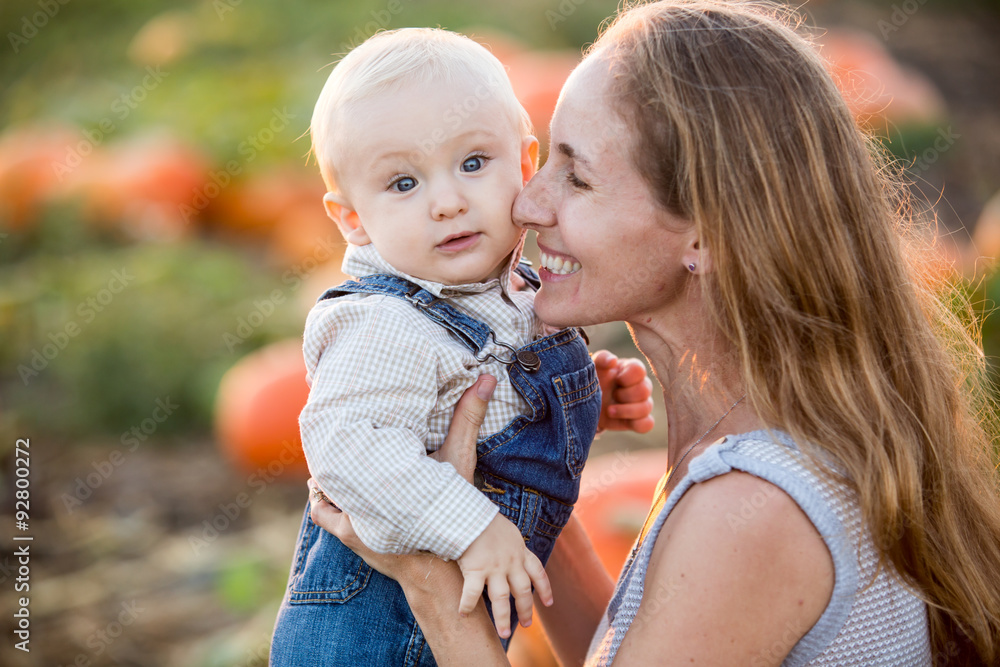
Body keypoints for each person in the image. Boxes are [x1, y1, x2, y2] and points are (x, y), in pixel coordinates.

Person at [308, 1, 1000, 665]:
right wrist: (527, 454)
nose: (529, 202)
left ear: (704, 235)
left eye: (576, 177)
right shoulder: (756, 434)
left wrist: (432, 586)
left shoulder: (751, 510)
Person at [269, 27, 655, 666]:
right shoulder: (383, 323)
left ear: (525, 167)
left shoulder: (512, 295)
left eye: (473, 163)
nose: (447, 202)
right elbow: (352, 450)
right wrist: (472, 528)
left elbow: (478, 406)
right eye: (403, 183)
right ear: (352, 219)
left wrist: (574, 408)